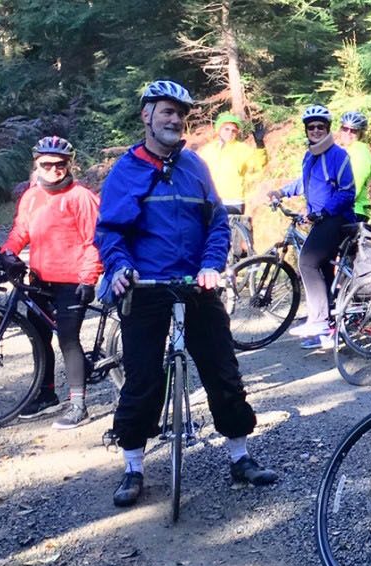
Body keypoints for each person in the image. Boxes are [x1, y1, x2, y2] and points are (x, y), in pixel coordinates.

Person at [97, 80, 278, 508]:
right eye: (166, 111)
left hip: (197, 285)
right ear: (146, 115)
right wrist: (119, 267)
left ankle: (240, 456)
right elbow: (110, 232)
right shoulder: (128, 169)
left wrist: (212, 266)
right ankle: (133, 466)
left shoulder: (196, 166)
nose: (175, 119)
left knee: (222, 370)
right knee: (143, 379)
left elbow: (217, 222)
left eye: (180, 112)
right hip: (146, 287)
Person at [0, 136, 103, 429]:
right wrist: (8, 252)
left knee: (68, 339)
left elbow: (95, 241)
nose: (54, 170)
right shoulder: (31, 196)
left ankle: (79, 405)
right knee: (38, 335)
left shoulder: (81, 197)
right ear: (37, 164)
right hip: (40, 279)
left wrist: (88, 278)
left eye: (60, 164)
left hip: (72, 280)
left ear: (69, 164)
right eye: (47, 164)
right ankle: (46, 395)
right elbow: (21, 230)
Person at [272, 104, 358, 349]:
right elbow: (305, 182)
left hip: (337, 219)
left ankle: (319, 320)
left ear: (328, 128)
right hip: (320, 219)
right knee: (323, 270)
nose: (316, 130)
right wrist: (282, 191)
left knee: (307, 262)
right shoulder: (310, 155)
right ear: (306, 130)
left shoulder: (338, 155)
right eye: (312, 127)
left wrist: (323, 212)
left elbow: (347, 192)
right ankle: (328, 332)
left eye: (321, 126)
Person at [196, 111, 267, 218]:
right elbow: (198, 173)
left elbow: (259, 164)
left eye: (234, 130)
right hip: (210, 200)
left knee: (232, 233)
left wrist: (260, 144)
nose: (230, 132)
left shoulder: (242, 149)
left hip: (234, 201)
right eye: (226, 129)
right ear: (219, 129)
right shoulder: (208, 150)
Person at [335, 111, 371, 222]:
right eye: (345, 128)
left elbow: (354, 187)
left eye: (354, 130)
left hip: (353, 211)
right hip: (343, 209)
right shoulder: (347, 151)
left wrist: (330, 207)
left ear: (361, 133)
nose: (348, 133)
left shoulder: (360, 153)